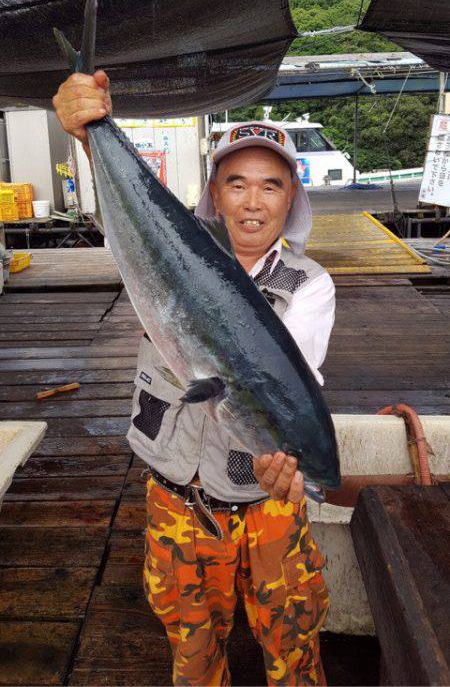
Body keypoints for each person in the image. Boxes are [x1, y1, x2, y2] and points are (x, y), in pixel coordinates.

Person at [53, 72, 336, 687]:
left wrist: (284, 464)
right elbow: (128, 213)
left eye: (270, 185)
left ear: (291, 197)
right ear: (215, 192)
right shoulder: (165, 245)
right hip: (176, 498)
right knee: (194, 654)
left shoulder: (309, 285)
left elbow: (286, 391)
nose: (253, 202)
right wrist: (88, 134)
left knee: (293, 646)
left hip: (265, 505)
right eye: (237, 184)